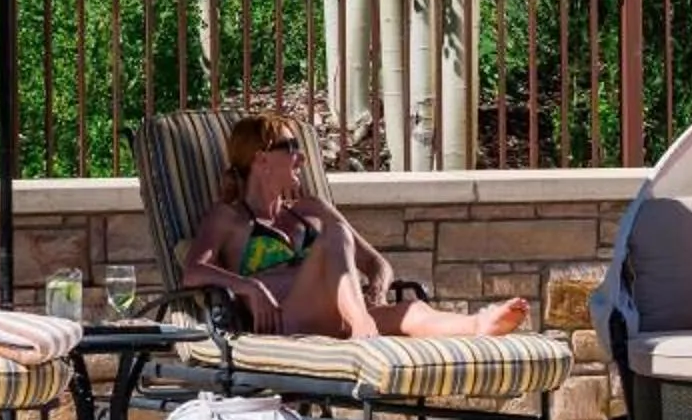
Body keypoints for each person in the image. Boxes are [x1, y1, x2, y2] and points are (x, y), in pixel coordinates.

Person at [182, 112, 531, 338]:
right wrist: (249, 287)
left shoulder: (311, 209)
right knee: (335, 233)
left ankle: (478, 324)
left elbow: (378, 264)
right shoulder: (229, 217)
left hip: (339, 318)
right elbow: (193, 271)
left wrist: (377, 288)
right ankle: (363, 327)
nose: (301, 157)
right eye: (291, 147)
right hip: (286, 322)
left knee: (412, 310)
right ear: (261, 159)